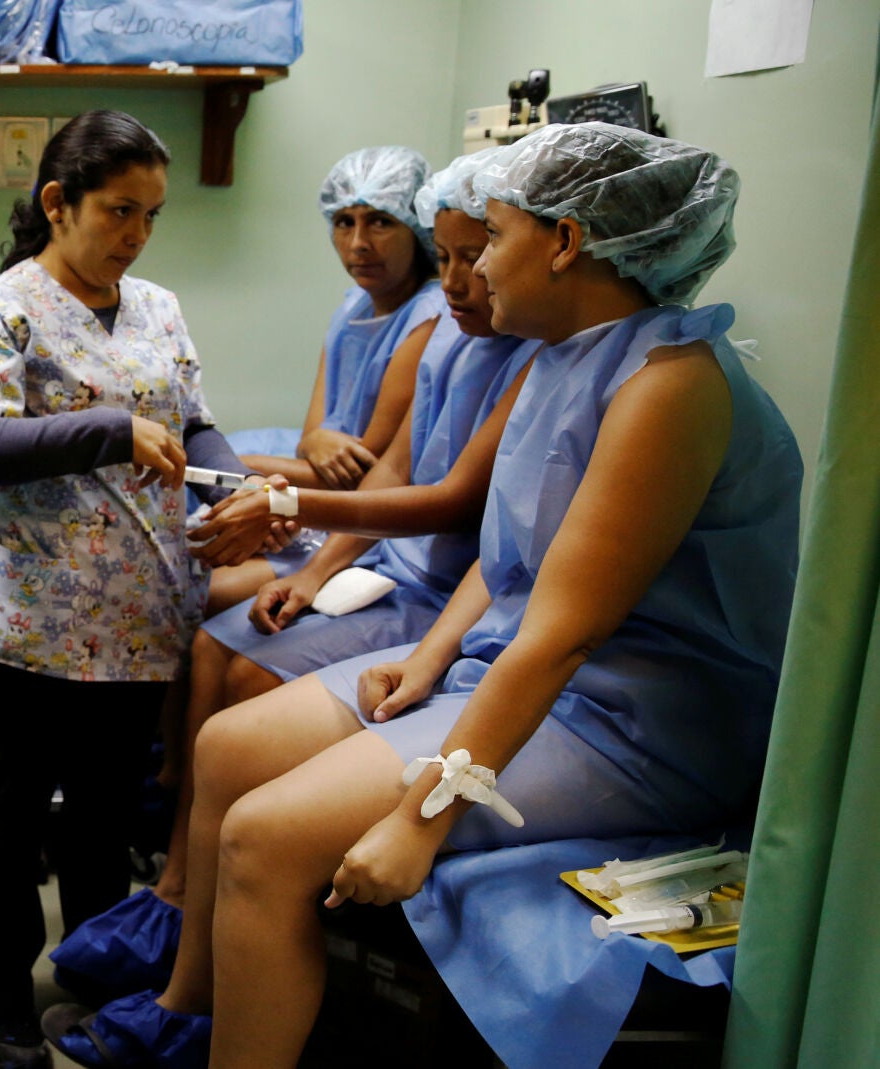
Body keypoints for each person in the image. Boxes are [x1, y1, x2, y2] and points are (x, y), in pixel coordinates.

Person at [42, 122, 800, 1069]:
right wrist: (433, 655)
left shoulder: (668, 385)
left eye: (490, 239)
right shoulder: (565, 358)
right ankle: (189, 1012)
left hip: (632, 724)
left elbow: (562, 633)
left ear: (565, 242)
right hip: (526, 673)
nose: (471, 271)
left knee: (265, 838)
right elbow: (517, 556)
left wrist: (420, 817)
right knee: (230, 743)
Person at [49, 147, 547, 994]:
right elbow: (365, 459)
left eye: (481, 251)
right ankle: (178, 870)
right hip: (399, 561)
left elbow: (452, 507)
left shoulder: (506, 344)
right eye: (458, 254)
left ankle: (188, 893)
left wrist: (284, 508)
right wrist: (310, 565)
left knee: (236, 672)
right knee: (215, 653)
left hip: (433, 587)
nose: (468, 277)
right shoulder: (420, 333)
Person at [0, 109, 271, 1069]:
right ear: (57, 202)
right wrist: (108, 428)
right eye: (120, 210)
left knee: (104, 819)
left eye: (151, 216)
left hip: (142, 610)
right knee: (9, 817)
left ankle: (94, 975)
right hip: (36, 622)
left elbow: (196, 423)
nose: (135, 234)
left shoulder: (157, 307)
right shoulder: (0, 310)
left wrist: (237, 480)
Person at [202, 146, 446, 614]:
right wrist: (312, 443)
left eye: (380, 221)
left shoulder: (429, 320)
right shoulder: (352, 307)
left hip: (363, 529)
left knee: (196, 590)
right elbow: (310, 440)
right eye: (343, 222)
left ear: (418, 228)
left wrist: (244, 471)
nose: (359, 243)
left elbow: (360, 475)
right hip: (319, 504)